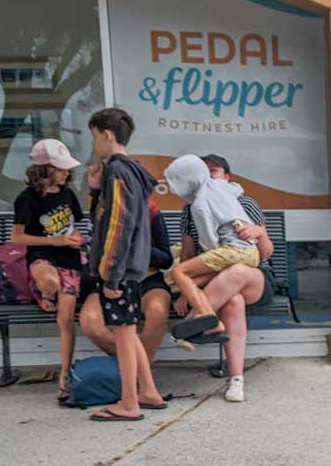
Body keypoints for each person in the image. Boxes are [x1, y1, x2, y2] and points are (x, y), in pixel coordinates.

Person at [85, 107, 165, 423]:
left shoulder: (118, 173)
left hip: (120, 269)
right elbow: (108, 217)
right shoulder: (131, 172)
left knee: (123, 332)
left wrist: (111, 275)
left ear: (106, 135)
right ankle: (148, 392)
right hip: (131, 267)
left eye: (93, 137)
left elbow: (118, 224)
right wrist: (94, 191)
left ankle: (129, 403)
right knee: (128, 331)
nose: (93, 145)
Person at [178, 154, 276, 403]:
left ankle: (197, 318)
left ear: (227, 177)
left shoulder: (245, 203)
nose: (210, 175)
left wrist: (258, 231)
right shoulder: (192, 207)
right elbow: (188, 254)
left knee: (238, 271)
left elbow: (265, 253)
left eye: (215, 171)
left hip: (254, 276)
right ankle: (236, 379)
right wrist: (183, 291)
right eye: (205, 171)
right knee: (233, 302)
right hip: (214, 277)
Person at [10, 139, 85, 403]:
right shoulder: (27, 199)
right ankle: (42, 291)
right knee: (50, 282)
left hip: (71, 261)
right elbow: (17, 237)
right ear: (44, 169)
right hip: (43, 257)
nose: (66, 173)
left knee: (66, 319)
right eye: (61, 168)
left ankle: (65, 376)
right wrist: (54, 241)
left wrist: (75, 239)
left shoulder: (68, 194)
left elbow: (74, 226)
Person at [80, 162, 174, 364]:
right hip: (108, 281)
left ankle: (138, 377)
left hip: (147, 279)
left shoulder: (150, 210)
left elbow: (166, 259)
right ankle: (138, 369)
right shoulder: (102, 210)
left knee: (157, 311)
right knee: (90, 321)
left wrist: (136, 248)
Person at [164, 154, 259, 345]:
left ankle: (207, 318)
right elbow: (237, 189)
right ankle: (205, 322)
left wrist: (210, 255)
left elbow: (209, 239)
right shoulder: (220, 186)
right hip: (250, 250)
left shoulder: (199, 204)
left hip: (232, 250)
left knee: (179, 273)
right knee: (190, 282)